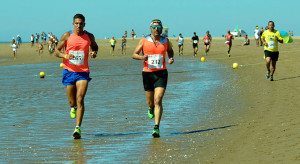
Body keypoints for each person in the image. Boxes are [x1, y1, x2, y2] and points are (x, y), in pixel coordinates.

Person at [54, 14, 98, 139]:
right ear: (73, 24)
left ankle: (77, 128)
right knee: (72, 101)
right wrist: (66, 56)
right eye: (76, 23)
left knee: (80, 98)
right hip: (69, 71)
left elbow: (95, 46)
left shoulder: (89, 36)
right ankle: (72, 107)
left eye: (81, 23)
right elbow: (56, 51)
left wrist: (94, 52)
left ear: (84, 24)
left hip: (83, 72)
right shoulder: (67, 35)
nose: (79, 26)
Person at [132, 19, 174, 138]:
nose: (156, 29)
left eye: (159, 26)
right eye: (154, 27)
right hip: (148, 74)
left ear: (161, 28)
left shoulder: (166, 40)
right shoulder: (144, 40)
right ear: (150, 28)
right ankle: (150, 108)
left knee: (158, 100)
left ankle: (156, 127)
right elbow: (134, 54)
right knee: (150, 103)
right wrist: (142, 58)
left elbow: (171, 51)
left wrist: (171, 58)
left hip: (161, 74)